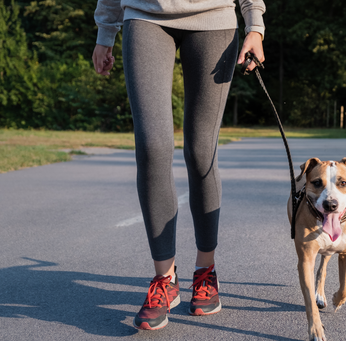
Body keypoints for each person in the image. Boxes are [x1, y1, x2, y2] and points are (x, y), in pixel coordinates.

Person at [92, 0, 266, 331]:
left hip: (214, 20)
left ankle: (205, 272)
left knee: (201, 151)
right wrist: (105, 31)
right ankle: (164, 279)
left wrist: (254, 24)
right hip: (144, 16)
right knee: (152, 146)